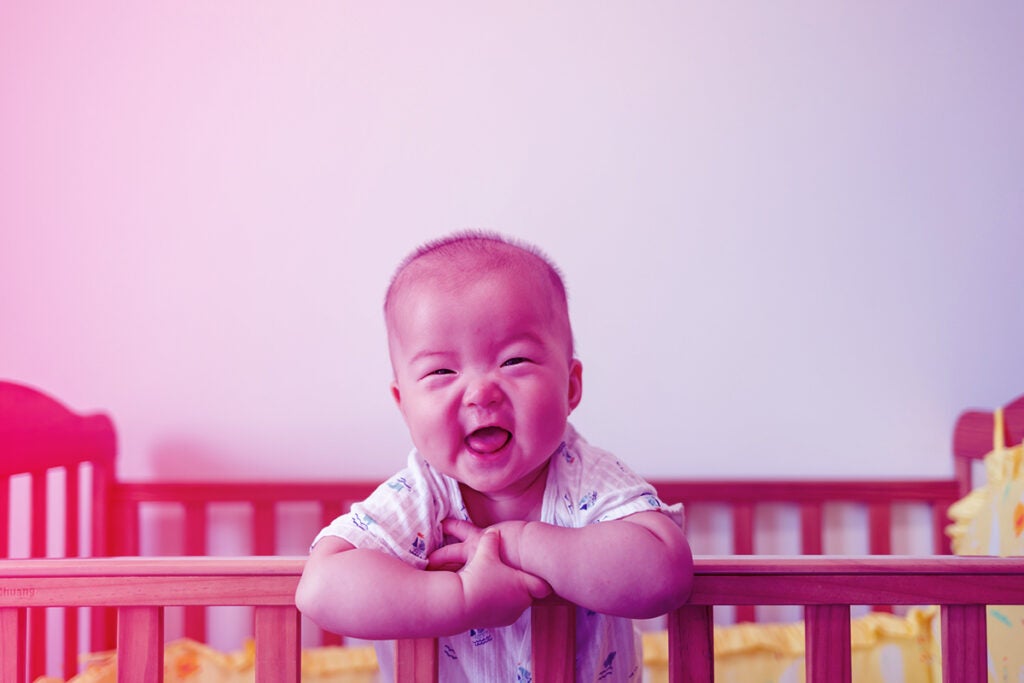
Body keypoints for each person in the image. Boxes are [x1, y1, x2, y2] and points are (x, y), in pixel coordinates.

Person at [296, 231, 693, 682]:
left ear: (570, 387)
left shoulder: (588, 480)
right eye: (442, 371)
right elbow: (321, 588)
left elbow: (664, 572)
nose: (481, 391)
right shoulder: (420, 495)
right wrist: (461, 597)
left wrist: (518, 543)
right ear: (403, 403)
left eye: (514, 361)